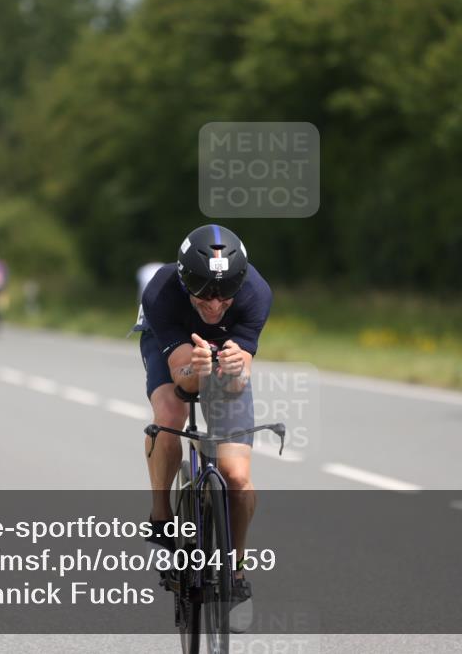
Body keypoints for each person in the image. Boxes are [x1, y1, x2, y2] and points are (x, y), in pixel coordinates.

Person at [137, 224, 271, 632]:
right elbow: (182, 380)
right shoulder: (161, 292)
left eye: (223, 296)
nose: (214, 306)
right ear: (184, 282)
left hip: (226, 349)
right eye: (203, 295)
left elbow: (237, 381)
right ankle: (161, 516)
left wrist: (232, 368)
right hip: (172, 344)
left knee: (237, 477)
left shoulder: (255, 294)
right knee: (170, 417)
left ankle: (235, 570)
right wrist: (197, 369)